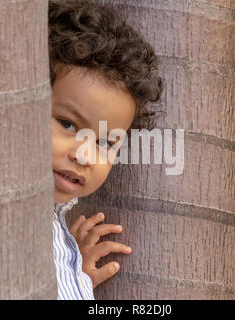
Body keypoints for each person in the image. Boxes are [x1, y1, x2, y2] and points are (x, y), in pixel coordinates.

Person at [48, 0, 163, 299]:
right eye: (68, 124)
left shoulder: (58, 239)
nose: (84, 155)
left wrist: (76, 277)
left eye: (104, 142)